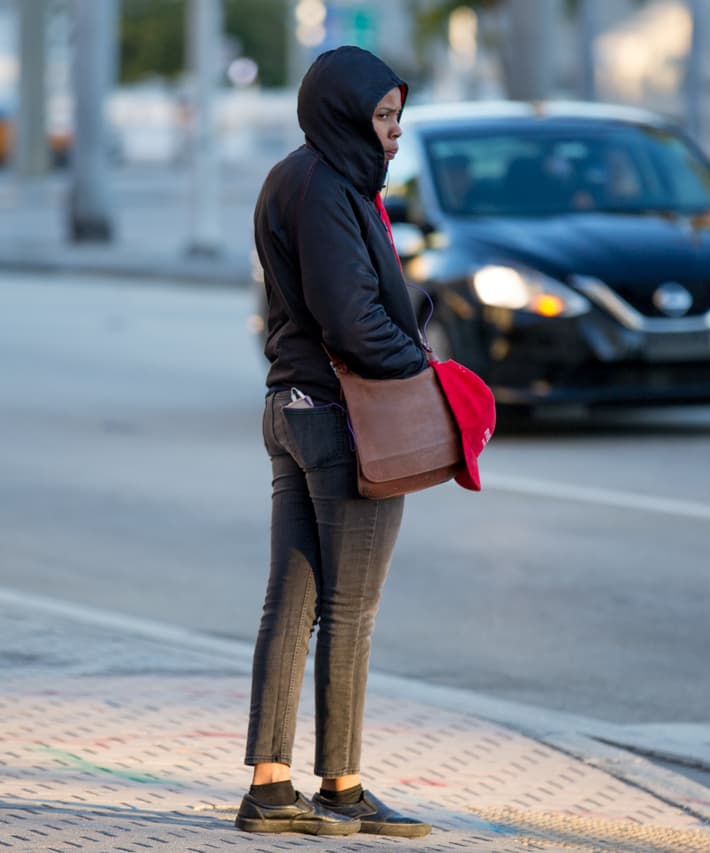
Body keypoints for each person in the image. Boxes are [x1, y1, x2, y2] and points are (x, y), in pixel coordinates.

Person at [235, 45, 433, 839]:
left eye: (397, 117)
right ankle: (342, 786)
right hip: (339, 418)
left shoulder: (298, 175)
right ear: (344, 111)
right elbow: (351, 320)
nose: (392, 134)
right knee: (350, 610)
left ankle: (270, 786)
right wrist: (422, 363)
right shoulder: (326, 187)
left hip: (291, 405)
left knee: (294, 603)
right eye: (382, 117)